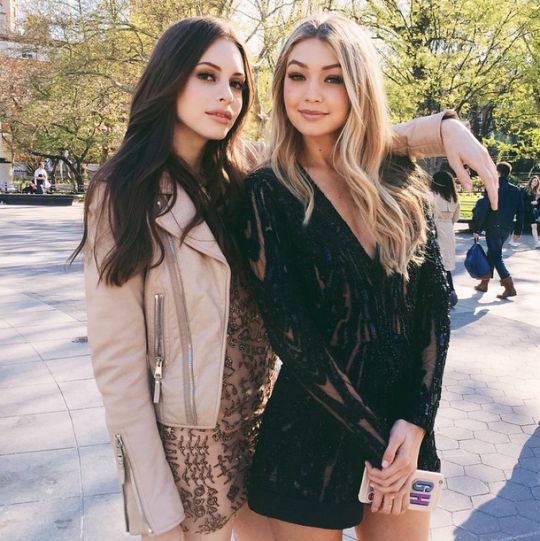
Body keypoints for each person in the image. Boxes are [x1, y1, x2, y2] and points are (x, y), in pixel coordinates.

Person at [72, 15, 499, 541]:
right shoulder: (132, 194)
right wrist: (149, 496)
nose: (225, 96)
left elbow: (360, 140)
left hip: (264, 418)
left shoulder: (241, 167)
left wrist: (444, 129)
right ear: (169, 78)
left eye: (235, 83)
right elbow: (118, 367)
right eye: (206, 76)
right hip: (192, 447)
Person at [242, 14, 479, 541]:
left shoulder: (397, 179)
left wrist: (416, 422)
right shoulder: (268, 190)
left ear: (359, 87)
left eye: (333, 78)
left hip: (403, 431)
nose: (311, 93)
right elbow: (291, 334)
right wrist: (375, 437)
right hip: (313, 431)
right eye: (296, 75)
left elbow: (435, 308)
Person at [472, 161, 524, 298]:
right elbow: (520, 211)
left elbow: (484, 209)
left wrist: (477, 228)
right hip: (506, 228)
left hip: (493, 226)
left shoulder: (493, 186)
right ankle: (484, 283)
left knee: (496, 256)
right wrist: (518, 230)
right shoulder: (516, 190)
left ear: (497, 172)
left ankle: (509, 287)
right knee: (492, 253)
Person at [430, 171, 460, 306]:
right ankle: (451, 292)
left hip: (434, 229)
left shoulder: (430, 196)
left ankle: (437, 294)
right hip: (448, 230)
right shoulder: (454, 198)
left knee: (433, 262)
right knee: (446, 264)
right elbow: (456, 218)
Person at [522, 175, 540, 248]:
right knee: (519, 226)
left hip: (530, 211)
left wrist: (536, 203)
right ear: (531, 181)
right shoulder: (525, 189)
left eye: (537, 181)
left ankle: (536, 243)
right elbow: (522, 201)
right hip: (524, 211)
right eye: (534, 181)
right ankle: (512, 241)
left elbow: (535, 203)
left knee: (534, 226)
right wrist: (531, 203)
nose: (535, 182)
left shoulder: (534, 191)